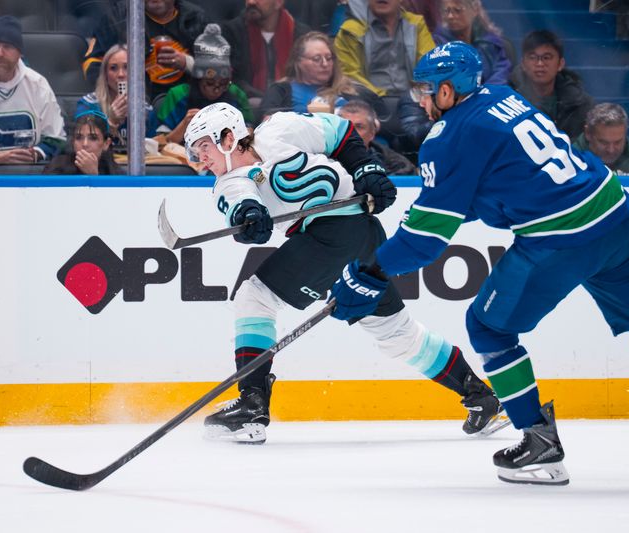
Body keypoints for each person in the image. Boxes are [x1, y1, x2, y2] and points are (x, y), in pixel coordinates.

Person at [328, 42, 629, 485]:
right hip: (614, 217)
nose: (420, 99)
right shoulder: (505, 97)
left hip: (560, 240)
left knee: (489, 328)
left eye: (426, 89)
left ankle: (539, 444)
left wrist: (370, 273)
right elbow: (512, 177)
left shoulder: (447, 139)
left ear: (448, 91)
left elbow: (425, 241)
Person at [183, 102, 504, 444]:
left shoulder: (280, 127)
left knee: (256, 297)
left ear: (228, 137)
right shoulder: (227, 182)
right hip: (354, 236)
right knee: (396, 332)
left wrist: (366, 167)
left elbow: (340, 133)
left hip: (338, 233)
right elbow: (241, 204)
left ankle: (252, 403)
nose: (200, 159)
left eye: (204, 146)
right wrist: (249, 219)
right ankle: (482, 397)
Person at [0, 16, 66, 166]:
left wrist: (37, 153)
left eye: (7, 46)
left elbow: (57, 139)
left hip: (30, 174)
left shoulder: (37, 84)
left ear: (20, 53)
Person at [83, 0, 210, 99]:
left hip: (186, 100)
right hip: (133, 101)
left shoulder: (196, 19)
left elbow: (219, 72)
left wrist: (186, 63)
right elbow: (92, 63)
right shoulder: (118, 17)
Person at [153, 24, 254, 145]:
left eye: (223, 84)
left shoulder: (236, 94)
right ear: (198, 80)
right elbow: (159, 144)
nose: (217, 90)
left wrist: (241, 131)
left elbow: (250, 132)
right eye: (210, 83)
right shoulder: (177, 95)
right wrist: (184, 125)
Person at [259, 31, 376, 120]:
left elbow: (379, 121)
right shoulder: (280, 91)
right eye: (317, 59)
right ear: (298, 62)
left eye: (329, 58)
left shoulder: (351, 90)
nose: (325, 64)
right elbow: (266, 123)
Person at [334, 0, 435, 97]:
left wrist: (417, 96)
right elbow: (350, 76)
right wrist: (379, 97)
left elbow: (430, 65)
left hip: (413, 99)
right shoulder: (350, 31)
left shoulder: (417, 25)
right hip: (369, 100)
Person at [511, 30, 594, 140]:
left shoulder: (580, 104)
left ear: (560, 64)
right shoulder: (509, 100)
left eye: (547, 57)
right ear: (523, 64)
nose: (539, 64)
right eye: (533, 57)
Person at [220, 0, 311, 100]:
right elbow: (232, 78)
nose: (251, 2)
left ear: (278, 2)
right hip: (248, 103)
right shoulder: (231, 32)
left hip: (290, 101)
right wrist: (266, 99)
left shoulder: (302, 36)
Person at [77, 44, 159, 151]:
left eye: (126, 67)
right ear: (105, 74)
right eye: (113, 68)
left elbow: (151, 151)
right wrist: (111, 122)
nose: (120, 74)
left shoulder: (146, 110)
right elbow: (84, 147)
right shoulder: (88, 105)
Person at [432, 0, 514, 86]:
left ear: (474, 10)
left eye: (458, 10)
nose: (450, 16)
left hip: (491, 96)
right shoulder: (437, 44)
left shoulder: (491, 43)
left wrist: (485, 94)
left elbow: (501, 74)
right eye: (446, 11)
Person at [337, 99, 416, 175]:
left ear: (372, 133)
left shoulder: (398, 166)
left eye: (359, 127)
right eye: (346, 126)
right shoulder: (325, 160)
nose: (351, 132)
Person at [43, 110, 124, 175]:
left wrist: (93, 175)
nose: (85, 144)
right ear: (73, 141)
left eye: (93, 138)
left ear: (106, 143)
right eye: (78, 138)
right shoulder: (56, 169)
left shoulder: (116, 174)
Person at [573, 103, 629, 176]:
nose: (611, 150)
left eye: (618, 142)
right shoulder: (568, 160)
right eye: (603, 142)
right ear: (588, 134)